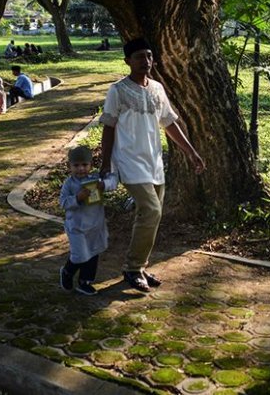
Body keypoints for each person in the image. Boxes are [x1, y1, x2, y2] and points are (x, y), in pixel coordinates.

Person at [99, 38, 205, 293]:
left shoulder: (157, 88)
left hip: (154, 161)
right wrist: (105, 164)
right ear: (127, 61)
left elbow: (169, 123)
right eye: (139, 57)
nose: (145, 61)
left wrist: (191, 152)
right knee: (151, 210)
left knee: (150, 215)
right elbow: (108, 126)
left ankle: (140, 265)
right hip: (128, 160)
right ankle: (133, 268)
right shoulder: (118, 90)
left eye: (148, 56)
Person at [59, 146, 118, 295]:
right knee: (80, 255)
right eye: (76, 165)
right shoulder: (69, 184)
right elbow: (63, 202)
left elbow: (113, 181)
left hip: (95, 225)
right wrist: (77, 198)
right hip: (77, 227)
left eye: (84, 165)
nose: (81, 169)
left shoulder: (95, 179)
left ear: (90, 165)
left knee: (93, 252)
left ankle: (85, 282)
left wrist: (103, 184)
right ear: (70, 166)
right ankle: (67, 271)